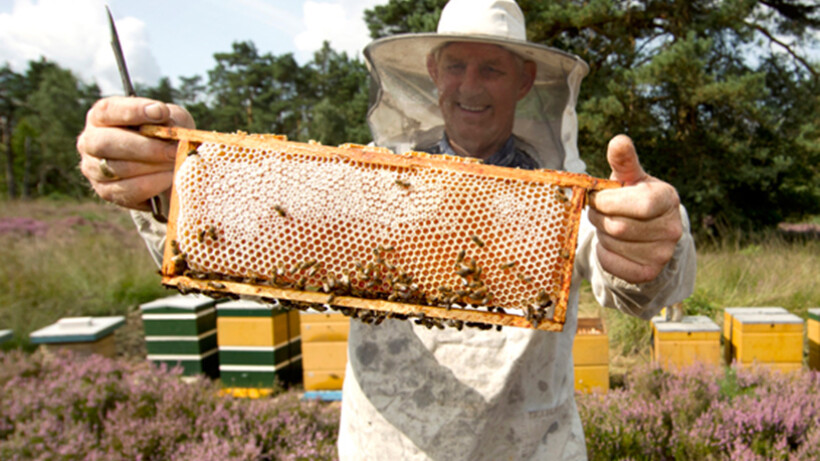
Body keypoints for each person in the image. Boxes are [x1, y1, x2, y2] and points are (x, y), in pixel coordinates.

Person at [76, 0, 696, 458]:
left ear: (526, 80)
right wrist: (174, 184)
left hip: (530, 448)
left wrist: (654, 242)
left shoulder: (566, 196)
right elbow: (247, 241)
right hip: (387, 446)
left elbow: (640, 282)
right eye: (456, 66)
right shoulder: (370, 183)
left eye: (492, 69)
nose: (470, 86)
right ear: (433, 72)